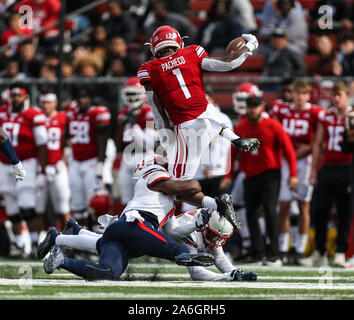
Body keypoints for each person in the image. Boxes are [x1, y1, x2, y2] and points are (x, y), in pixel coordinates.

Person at [39, 154, 241, 280]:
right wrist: (207, 195)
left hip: (122, 232)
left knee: (108, 272)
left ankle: (62, 260)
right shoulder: (153, 175)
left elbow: (172, 230)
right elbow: (189, 187)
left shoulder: (166, 202)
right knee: (174, 248)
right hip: (136, 224)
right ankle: (182, 255)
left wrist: (198, 221)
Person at [137, 25, 260, 182]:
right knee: (206, 109)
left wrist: (166, 140)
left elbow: (157, 111)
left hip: (186, 128)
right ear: (178, 42)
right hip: (208, 117)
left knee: (177, 182)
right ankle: (234, 138)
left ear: (155, 48)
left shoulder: (149, 69)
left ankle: (213, 203)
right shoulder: (192, 52)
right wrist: (251, 44)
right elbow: (229, 63)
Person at [228, 88, 298, 266]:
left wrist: (294, 174)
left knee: (269, 209)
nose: (253, 110)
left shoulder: (273, 125)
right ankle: (258, 252)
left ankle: (273, 253)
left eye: (255, 107)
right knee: (251, 213)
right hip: (250, 174)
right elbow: (232, 153)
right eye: (250, 107)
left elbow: (288, 150)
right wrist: (229, 174)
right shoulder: (241, 127)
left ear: (262, 107)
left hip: (270, 173)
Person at [270, 80, 323, 265]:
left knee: (303, 206)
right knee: (283, 206)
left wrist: (306, 150)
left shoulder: (315, 112)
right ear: (292, 94)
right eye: (297, 93)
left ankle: (300, 250)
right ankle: (284, 249)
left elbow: (320, 140)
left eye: (303, 94)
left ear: (308, 95)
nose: (299, 97)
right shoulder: (282, 109)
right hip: (286, 161)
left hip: (305, 161)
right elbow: (274, 128)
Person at [302, 81, 353, 267]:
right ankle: (319, 252)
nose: (336, 98)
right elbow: (317, 144)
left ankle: (340, 251)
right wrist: (314, 170)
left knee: (344, 212)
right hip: (328, 167)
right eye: (334, 95)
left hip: (347, 168)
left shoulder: (352, 115)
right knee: (321, 211)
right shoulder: (326, 115)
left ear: (347, 95)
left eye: (339, 95)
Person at [0, 86, 47, 258]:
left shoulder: (34, 114)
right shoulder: (3, 112)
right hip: (3, 163)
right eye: (14, 96)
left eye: (19, 96)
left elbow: (42, 145)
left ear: (25, 97)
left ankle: (36, 243)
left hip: (26, 162)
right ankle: (19, 243)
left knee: (27, 204)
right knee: (11, 205)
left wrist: (42, 170)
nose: (16, 99)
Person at [65, 87, 111, 229]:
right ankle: (81, 235)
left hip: (91, 161)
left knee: (97, 202)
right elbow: (66, 134)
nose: (82, 100)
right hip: (75, 161)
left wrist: (100, 164)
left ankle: (97, 235)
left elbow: (102, 140)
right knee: (77, 202)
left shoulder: (97, 113)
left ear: (91, 99)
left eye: (85, 97)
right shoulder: (72, 113)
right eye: (80, 97)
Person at [115, 76, 157, 205]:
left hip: (144, 155)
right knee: (126, 199)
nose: (132, 98)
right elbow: (118, 142)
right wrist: (122, 125)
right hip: (126, 157)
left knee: (144, 199)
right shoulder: (124, 113)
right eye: (129, 94)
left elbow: (149, 143)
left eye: (135, 94)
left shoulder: (149, 111)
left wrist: (134, 124)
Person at [36, 92, 71, 231]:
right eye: (43, 102)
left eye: (49, 102)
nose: (46, 105)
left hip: (58, 167)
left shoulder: (63, 117)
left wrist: (62, 161)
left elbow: (69, 141)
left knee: (63, 207)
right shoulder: (36, 118)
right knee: (37, 208)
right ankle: (37, 243)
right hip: (39, 168)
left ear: (56, 102)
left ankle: (69, 241)